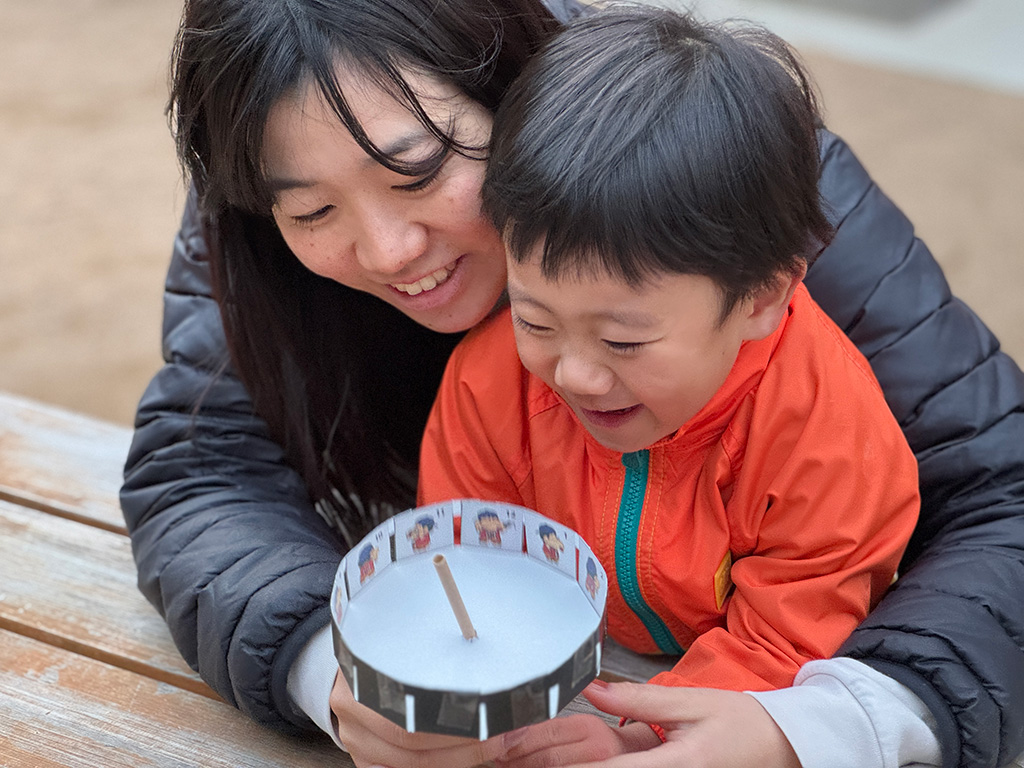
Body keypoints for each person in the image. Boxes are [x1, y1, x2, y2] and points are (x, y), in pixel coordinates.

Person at [119, 0, 1024, 766]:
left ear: (519, 96)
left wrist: (827, 725)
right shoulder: (261, 231)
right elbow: (199, 470)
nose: (389, 251)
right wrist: (330, 667)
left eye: (419, 171)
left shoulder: (731, 177)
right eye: (312, 211)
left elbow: (1003, 490)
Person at [419, 3, 921, 708]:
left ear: (759, 297)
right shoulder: (489, 380)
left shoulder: (830, 437)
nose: (576, 375)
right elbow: (467, 565)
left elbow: (784, 639)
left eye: (624, 340)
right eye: (536, 319)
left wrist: (642, 730)